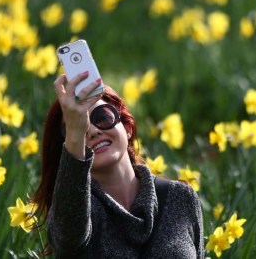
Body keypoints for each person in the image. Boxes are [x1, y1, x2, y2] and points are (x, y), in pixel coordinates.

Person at [32, 72, 204, 258]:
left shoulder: (180, 198)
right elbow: (67, 240)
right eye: (79, 128)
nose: (93, 131)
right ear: (68, 150)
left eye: (102, 117)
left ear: (127, 128)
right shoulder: (77, 214)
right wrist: (75, 137)